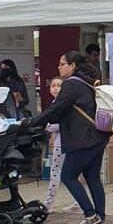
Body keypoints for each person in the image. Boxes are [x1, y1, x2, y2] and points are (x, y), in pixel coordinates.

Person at [25, 52, 108, 224]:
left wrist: (31, 122)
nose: (59, 67)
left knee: (68, 176)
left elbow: (56, 110)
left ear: (72, 66)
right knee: (92, 176)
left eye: (62, 64)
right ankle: (100, 215)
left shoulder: (71, 84)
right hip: (97, 136)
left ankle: (90, 214)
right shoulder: (87, 81)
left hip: (82, 139)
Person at [43, 76, 65, 211]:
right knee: (69, 174)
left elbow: (62, 124)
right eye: (53, 85)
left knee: (55, 172)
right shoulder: (56, 102)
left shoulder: (61, 104)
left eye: (59, 85)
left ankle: (48, 203)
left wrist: (47, 127)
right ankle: (77, 202)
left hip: (61, 143)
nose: (56, 88)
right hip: (60, 141)